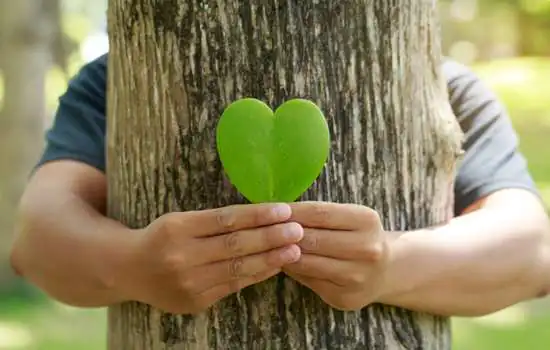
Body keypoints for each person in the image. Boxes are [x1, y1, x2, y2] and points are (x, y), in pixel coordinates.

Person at [9, 54, 550, 316]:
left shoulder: (443, 87)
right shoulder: (115, 80)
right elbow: (36, 241)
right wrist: (129, 263)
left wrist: (393, 263)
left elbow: (532, 250)